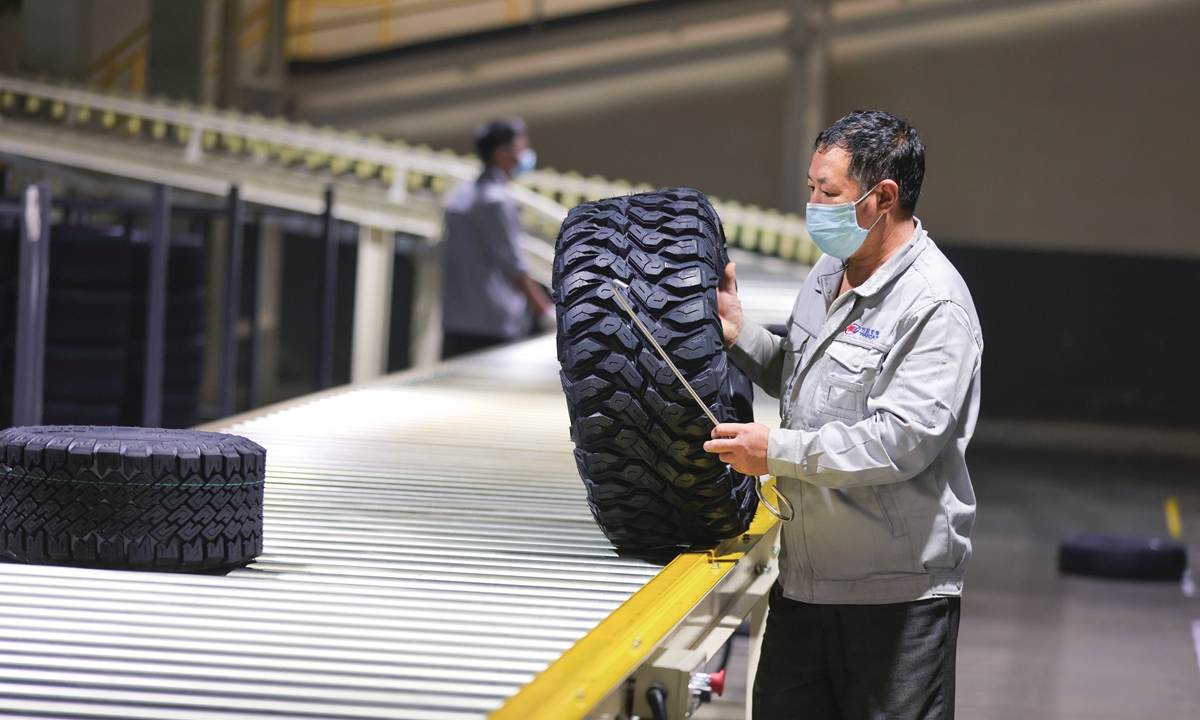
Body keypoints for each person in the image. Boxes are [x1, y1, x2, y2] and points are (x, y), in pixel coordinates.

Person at [703, 110, 983, 720]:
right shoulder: (831, 271)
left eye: (827, 193)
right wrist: (739, 334)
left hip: (895, 603)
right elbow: (805, 382)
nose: (813, 205)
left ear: (882, 198)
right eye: (811, 187)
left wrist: (773, 451)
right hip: (806, 583)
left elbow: (900, 442)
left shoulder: (934, 305)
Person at [441, 118, 553, 359]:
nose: (526, 156)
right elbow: (513, 266)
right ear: (502, 154)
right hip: (491, 325)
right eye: (522, 149)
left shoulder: (462, 195)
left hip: (458, 321)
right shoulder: (495, 202)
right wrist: (544, 310)